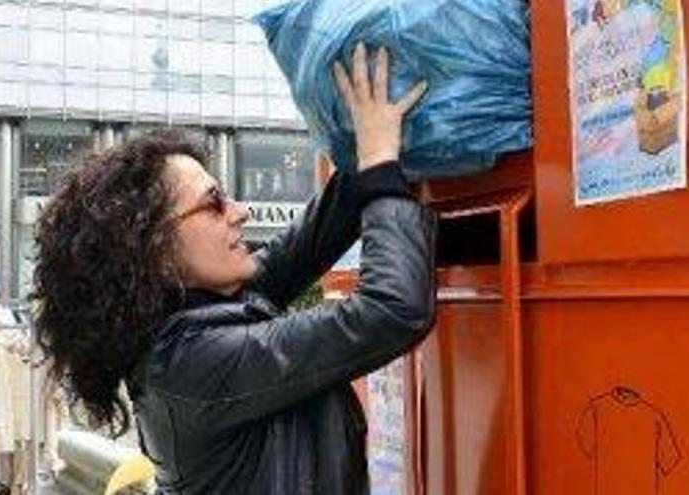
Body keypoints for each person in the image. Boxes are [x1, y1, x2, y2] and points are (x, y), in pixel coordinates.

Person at [33, 43, 435, 494]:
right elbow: (391, 311)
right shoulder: (190, 363)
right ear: (153, 249)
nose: (240, 211)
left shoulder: (203, 314)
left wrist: (364, 140)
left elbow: (307, 243)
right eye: (214, 203)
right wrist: (381, 162)